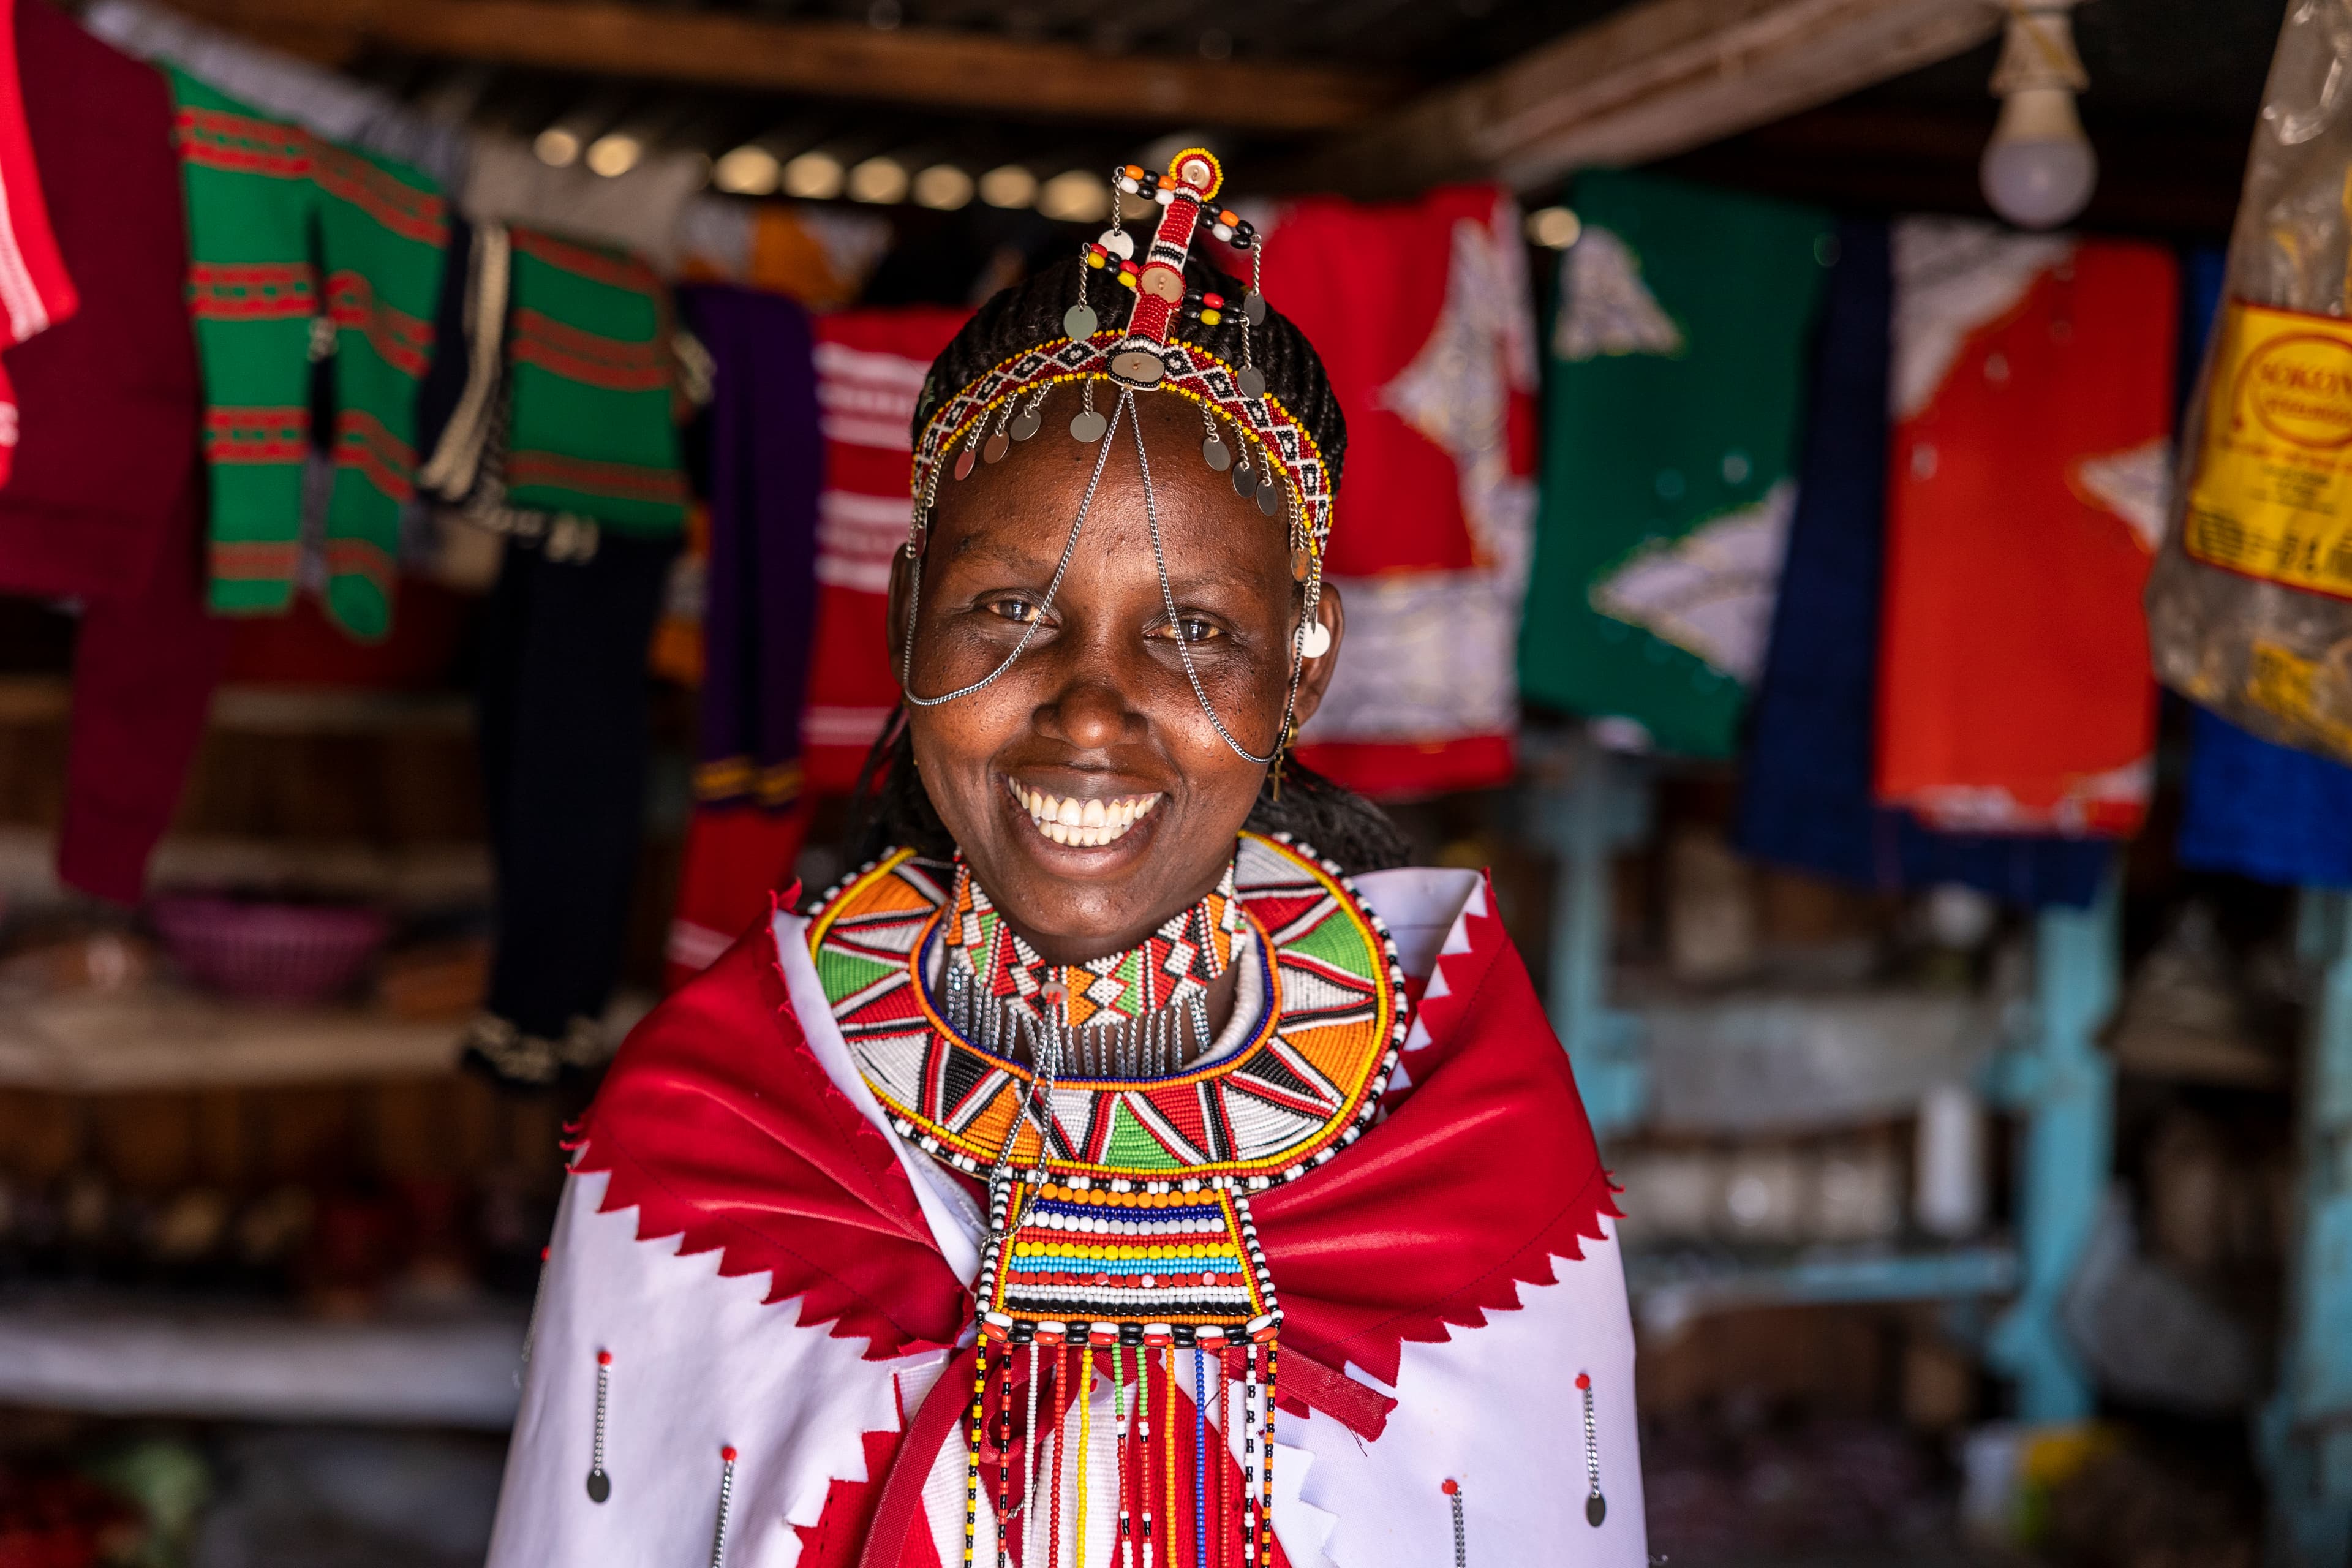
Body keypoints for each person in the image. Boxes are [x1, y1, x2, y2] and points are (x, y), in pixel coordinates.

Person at [485, 149, 1643, 1568]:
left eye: (1196, 630)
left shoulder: (1466, 1134)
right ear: (907, 614)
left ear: (1308, 662)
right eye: (1008, 608)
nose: (1090, 709)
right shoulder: (717, 1126)